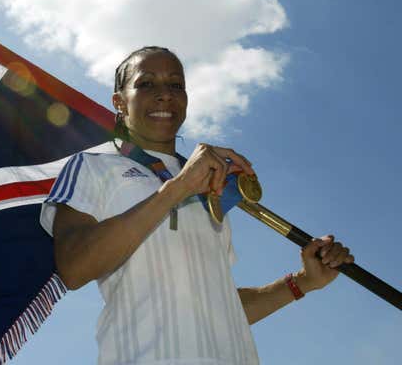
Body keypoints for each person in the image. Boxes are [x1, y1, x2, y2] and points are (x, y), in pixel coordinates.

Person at [39, 46, 354, 365]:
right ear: (119, 102)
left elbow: (219, 310)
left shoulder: (210, 185)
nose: (165, 95)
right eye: (146, 84)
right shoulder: (93, 165)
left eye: (176, 85)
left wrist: (303, 282)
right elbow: (74, 268)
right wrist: (177, 189)